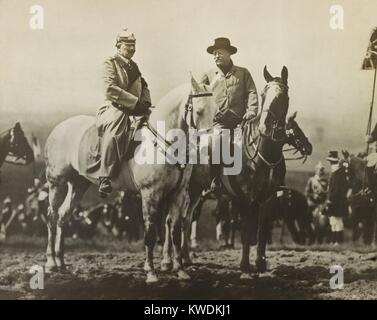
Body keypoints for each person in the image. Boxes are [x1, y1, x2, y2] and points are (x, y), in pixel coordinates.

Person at [96, 28, 152, 197]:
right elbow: (109, 89)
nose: (132, 49)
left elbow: (144, 85)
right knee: (115, 130)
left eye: (134, 45)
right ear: (119, 46)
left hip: (134, 110)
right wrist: (135, 103)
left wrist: (145, 103)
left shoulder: (134, 66)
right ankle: (104, 176)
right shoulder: (110, 63)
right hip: (114, 107)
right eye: (128, 45)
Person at [200, 37, 259, 190]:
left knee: (253, 145)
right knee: (216, 144)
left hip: (241, 121)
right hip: (218, 122)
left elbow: (252, 92)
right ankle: (215, 180)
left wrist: (252, 110)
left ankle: (258, 178)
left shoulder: (243, 73)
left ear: (228, 54)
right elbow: (199, 97)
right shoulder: (208, 75)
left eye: (219, 53)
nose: (216, 56)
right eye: (214, 54)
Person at [325, 150, 351, 245]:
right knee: (333, 220)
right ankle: (334, 240)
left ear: (332, 161)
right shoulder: (337, 171)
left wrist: (330, 199)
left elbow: (335, 189)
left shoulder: (338, 172)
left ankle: (338, 241)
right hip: (335, 199)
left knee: (337, 220)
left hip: (337, 200)